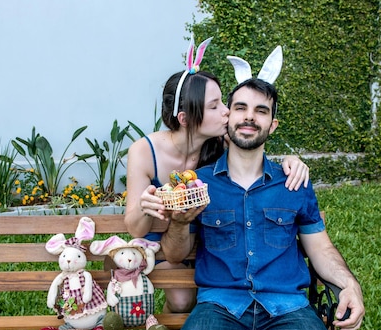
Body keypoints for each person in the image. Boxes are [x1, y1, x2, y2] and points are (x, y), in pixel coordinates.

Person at [158, 50, 365, 330]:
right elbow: (175, 254)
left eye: (261, 111)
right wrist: (179, 220)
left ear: (273, 125)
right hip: (220, 307)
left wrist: (350, 286)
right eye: (240, 108)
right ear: (227, 118)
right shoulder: (197, 184)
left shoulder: (294, 182)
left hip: (288, 309)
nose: (249, 118)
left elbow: (321, 249)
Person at [124, 36, 310, 313]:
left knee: (195, 298)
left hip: (208, 245)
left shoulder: (220, 142)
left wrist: (293, 161)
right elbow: (135, 228)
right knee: (181, 299)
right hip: (163, 247)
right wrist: (144, 205)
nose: (227, 112)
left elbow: (256, 152)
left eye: (223, 101)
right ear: (185, 119)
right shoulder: (144, 151)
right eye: (215, 106)